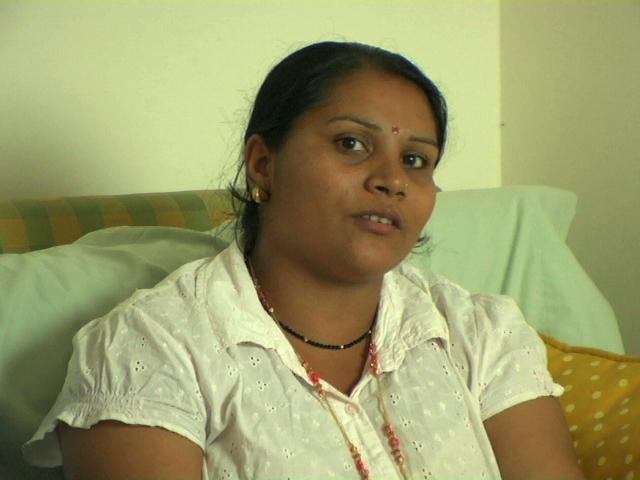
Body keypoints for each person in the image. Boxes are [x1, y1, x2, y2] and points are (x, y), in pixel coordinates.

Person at [23, 41, 585, 479]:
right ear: (264, 164)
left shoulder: (481, 334)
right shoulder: (150, 351)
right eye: (351, 144)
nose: (391, 179)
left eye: (416, 159)